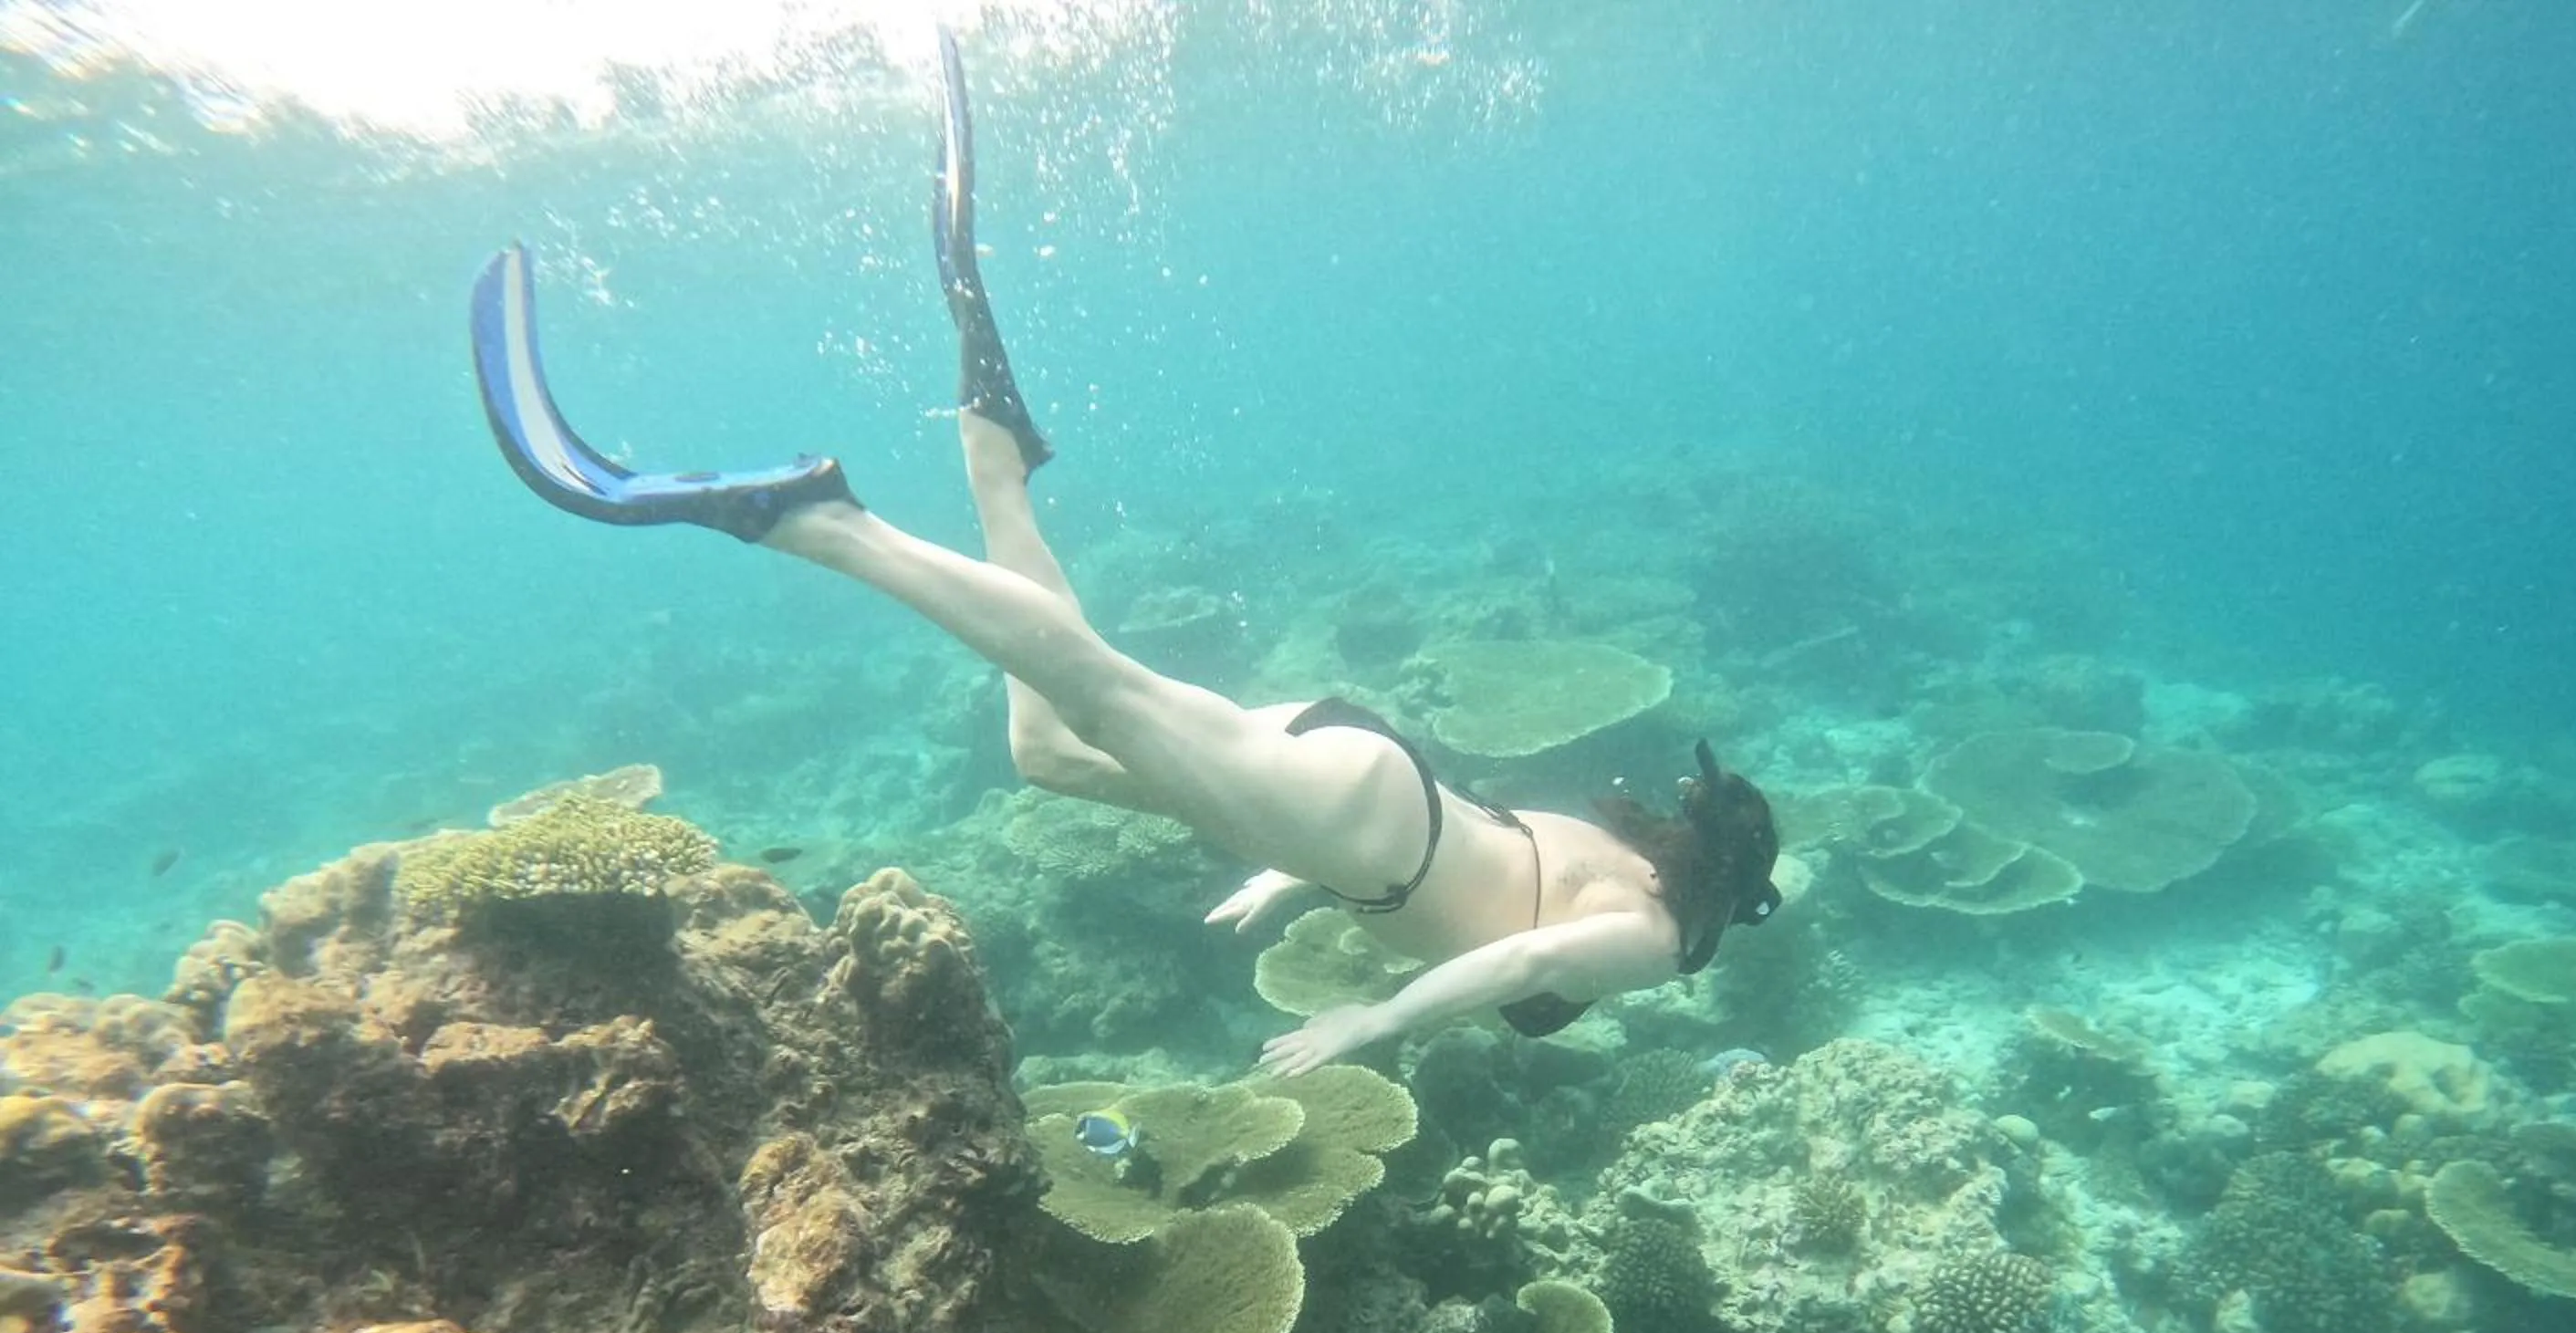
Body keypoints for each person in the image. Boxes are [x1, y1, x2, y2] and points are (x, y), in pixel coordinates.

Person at [469, 30, 1780, 1078]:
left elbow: (1486, 853)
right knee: (1096, 681)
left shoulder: (1633, 860)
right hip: (1362, 823)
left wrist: (1287, 862)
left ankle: (996, 443)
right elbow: (1498, 967)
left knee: (1048, 749)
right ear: (1728, 902)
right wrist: (1364, 1026)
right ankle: (811, 517)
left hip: (1362, 797)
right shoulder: (1664, 939)